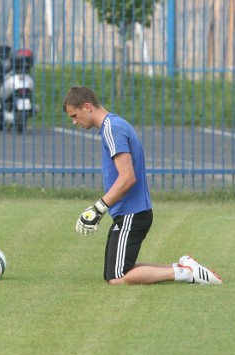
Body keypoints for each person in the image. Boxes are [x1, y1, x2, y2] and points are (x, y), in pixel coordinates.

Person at [62, 86, 222, 285]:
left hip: (132, 214)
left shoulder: (113, 128)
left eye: (75, 115)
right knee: (116, 271)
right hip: (132, 213)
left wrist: (98, 208)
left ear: (87, 107)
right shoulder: (114, 124)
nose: (74, 121)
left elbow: (127, 177)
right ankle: (183, 267)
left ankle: (187, 273)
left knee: (116, 278)